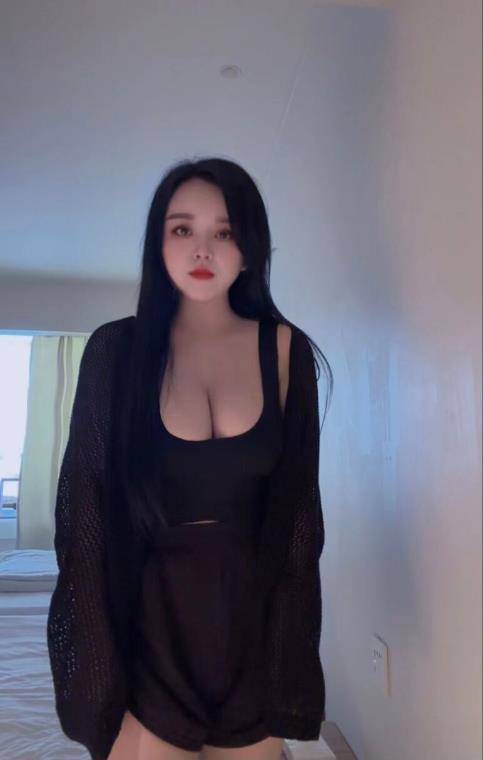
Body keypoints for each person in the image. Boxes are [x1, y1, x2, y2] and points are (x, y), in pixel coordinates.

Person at [47, 157, 333, 760]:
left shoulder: (286, 350)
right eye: (182, 228)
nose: (202, 248)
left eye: (224, 231)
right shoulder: (116, 351)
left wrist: (288, 662)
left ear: (250, 249)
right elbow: (83, 519)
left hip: (250, 631)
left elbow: (300, 520)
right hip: (146, 631)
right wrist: (100, 678)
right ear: (159, 244)